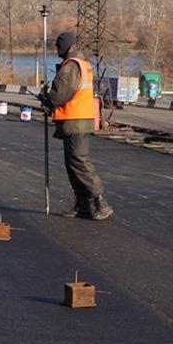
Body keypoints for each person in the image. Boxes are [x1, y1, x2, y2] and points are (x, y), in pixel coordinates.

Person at [40, 31, 113, 221]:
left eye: (58, 47)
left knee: (80, 163)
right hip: (77, 120)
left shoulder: (71, 66)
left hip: (76, 121)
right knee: (72, 164)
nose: (57, 50)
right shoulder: (82, 64)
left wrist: (48, 99)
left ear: (64, 47)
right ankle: (83, 205)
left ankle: (101, 202)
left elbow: (59, 94)